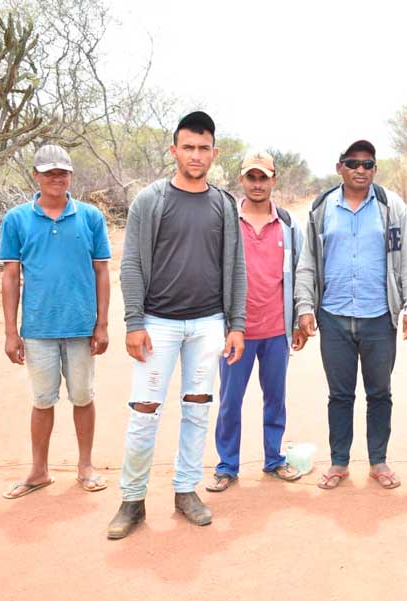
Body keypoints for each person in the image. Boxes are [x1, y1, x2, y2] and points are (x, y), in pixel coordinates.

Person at [107, 111, 246, 539]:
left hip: (207, 324)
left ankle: (186, 491)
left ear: (214, 153)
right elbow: (130, 264)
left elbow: (236, 267)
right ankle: (132, 500)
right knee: (145, 412)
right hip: (158, 324)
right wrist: (134, 322)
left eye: (204, 148)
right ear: (174, 151)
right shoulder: (151, 200)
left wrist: (235, 324)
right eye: (188, 147)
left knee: (197, 409)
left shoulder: (223, 203)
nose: (196, 155)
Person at [295, 139, 407, 490]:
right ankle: (339, 463)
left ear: (375, 170)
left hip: (379, 317)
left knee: (379, 393)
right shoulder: (322, 207)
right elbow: (307, 263)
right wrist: (304, 306)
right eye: (353, 163)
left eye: (368, 165)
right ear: (340, 168)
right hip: (333, 316)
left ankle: (378, 461)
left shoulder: (390, 206)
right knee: (340, 395)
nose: (361, 170)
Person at [0, 144, 111, 499]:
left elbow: (102, 271)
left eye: (61, 172)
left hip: (80, 326)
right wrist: (10, 332)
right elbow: (10, 276)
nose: (55, 178)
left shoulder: (90, 217)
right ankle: (39, 470)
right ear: (36, 175)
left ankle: (85, 466)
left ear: (70, 176)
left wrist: (102, 323)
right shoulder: (16, 219)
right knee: (42, 400)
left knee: (82, 396)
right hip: (38, 328)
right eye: (48, 172)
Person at [206, 151, 307, 492]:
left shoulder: (289, 225)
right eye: (252, 177)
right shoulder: (225, 222)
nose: (258, 184)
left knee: (275, 399)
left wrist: (297, 319)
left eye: (264, 177)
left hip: (277, 329)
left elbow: (299, 274)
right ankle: (226, 465)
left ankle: (274, 460)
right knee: (230, 400)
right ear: (242, 180)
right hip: (237, 332)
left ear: (274, 180)